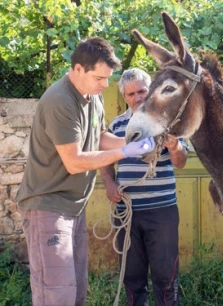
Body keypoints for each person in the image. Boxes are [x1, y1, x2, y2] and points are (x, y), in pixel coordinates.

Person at [16, 38, 154, 306]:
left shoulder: (93, 96)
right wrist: (124, 153)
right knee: (57, 295)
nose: (105, 84)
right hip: (47, 206)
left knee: (77, 291)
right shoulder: (60, 101)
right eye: (99, 77)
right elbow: (75, 161)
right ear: (78, 69)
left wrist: (130, 143)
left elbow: (100, 136)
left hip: (74, 207)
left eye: (107, 78)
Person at [100, 68, 188, 306]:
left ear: (151, 91)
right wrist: (109, 183)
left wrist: (174, 146)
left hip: (162, 212)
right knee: (132, 276)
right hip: (127, 214)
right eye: (131, 94)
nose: (137, 97)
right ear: (124, 97)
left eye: (142, 91)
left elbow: (181, 163)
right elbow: (104, 159)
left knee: (165, 275)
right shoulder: (117, 125)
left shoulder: (169, 122)